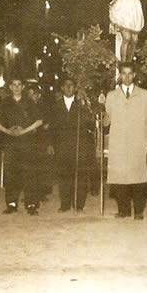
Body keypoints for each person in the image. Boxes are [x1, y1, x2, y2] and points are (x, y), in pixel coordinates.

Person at [103, 62, 147, 220]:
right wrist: (101, 111)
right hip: (119, 143)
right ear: (119, 75)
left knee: (138, 178)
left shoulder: (144, 94)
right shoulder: (111, 96)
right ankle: (123, 210)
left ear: (134, 75)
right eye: (123, 73)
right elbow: (106, 121)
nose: (126, 77)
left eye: (129, 73)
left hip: (138, 142)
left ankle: (138, 211)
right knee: (119, 178)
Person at [47, 78, 95, 212]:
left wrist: (86, 107)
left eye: (71, 85)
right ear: (62, 88)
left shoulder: (81, 105)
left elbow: (88, 124)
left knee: (80, 176)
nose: (68, 88)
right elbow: (52, 127)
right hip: (61, 145)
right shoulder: (55, 106)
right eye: (66, 85)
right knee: (64, 176)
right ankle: (65, 204)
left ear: (75, 88)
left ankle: (79, 205)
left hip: (79, 145)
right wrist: (50, 144)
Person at [0, 78, 43, 215]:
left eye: (19, 84)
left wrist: (24, 131)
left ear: (23, 87)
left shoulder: (29, 102)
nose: (16, 87)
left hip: (27, 142)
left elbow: (39, 121)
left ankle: (31, 204)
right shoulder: (5, 103)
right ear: (10, 87)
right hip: (10, 143)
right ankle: (11, 203)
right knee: (11, 173)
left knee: (29, 173)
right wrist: (8, 131)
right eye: (14, 85)